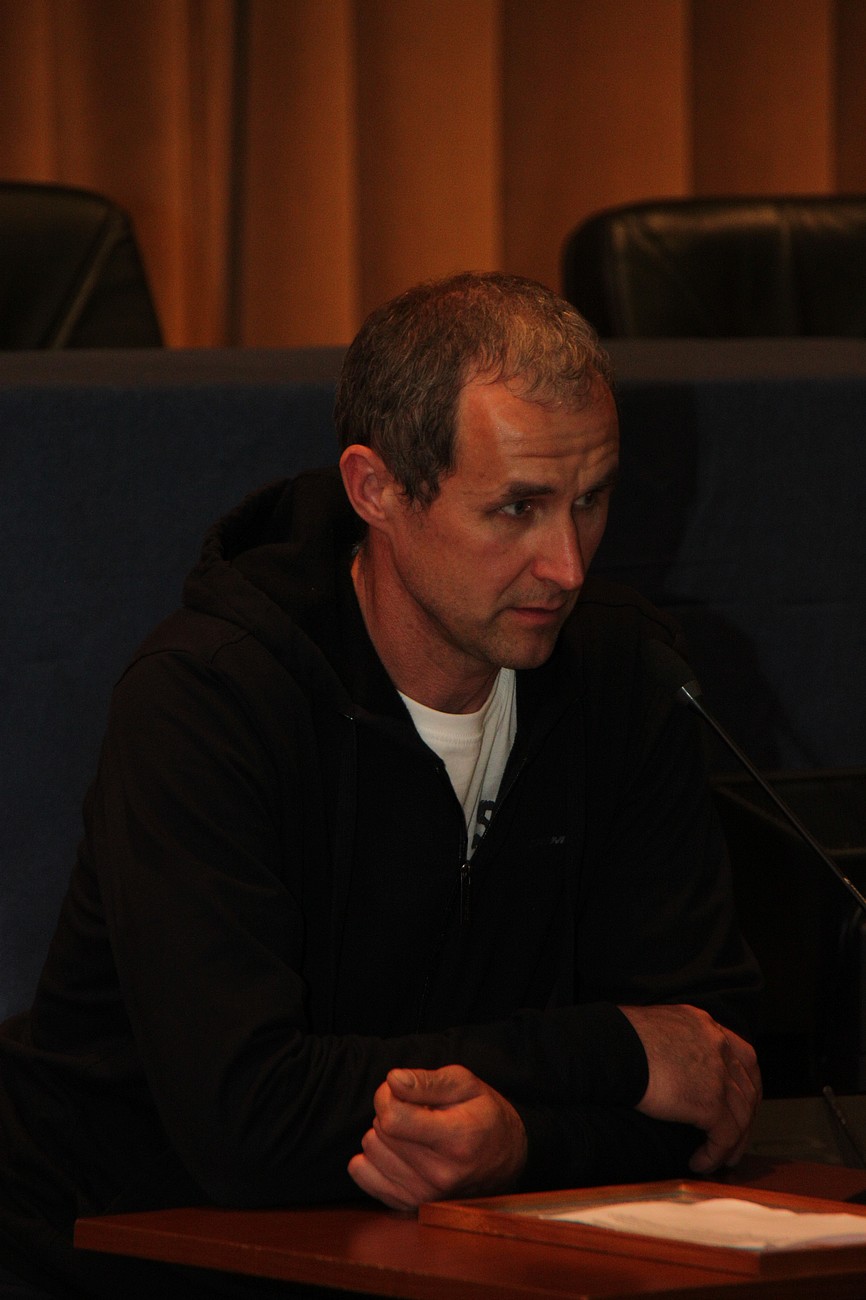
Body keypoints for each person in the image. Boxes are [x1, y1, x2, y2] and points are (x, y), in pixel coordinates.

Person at [0, 272, 761, 1297]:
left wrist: (520, 1141)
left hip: (430, 1263)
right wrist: (612, 1054)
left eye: (590, 501)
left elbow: (714, 1076)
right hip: (114, 1256)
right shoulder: (208, 699)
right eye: (517, 509)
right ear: (376, 490)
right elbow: (246, 1119)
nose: (568, 566)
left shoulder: (628, 680)